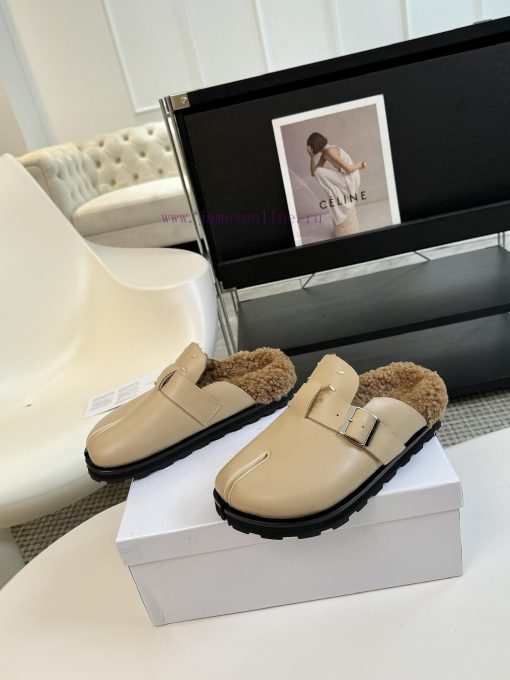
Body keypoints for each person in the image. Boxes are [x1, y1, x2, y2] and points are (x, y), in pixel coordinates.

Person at [306, 131, 367, 236]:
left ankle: (335, 192)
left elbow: (348, 169)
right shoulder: (325, 154)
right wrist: (311, 157)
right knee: (318, 172)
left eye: (310, 148)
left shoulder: (330, 151)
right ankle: (335, 192)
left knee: (319, 171)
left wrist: (359, 165)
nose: (309, 150)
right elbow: (313, 173)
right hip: (345, 176)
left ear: (314, 146)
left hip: (351, 178)